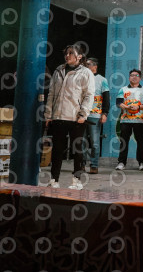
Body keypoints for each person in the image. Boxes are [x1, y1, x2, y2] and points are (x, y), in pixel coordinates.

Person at [44, 44, 95, 189]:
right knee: (57, 150)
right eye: (66, 53)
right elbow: (51, 93)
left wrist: (83, 114)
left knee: (77, 150)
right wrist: (48, 114)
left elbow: (89, 95)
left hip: (76, 118)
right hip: (58, 116)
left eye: (71, 53)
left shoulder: (86, 72)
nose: (67, 56)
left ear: (79, 56)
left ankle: (76, 180)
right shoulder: (58, 70)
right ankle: (54, 180)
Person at [115, 69, 143, 171]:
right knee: (124, 141)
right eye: (132, 75)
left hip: (139, 120)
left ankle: (142, 162)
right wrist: (125, 106)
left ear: (140, 78)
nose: (134, 77)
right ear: (129, 77)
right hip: (125, 120)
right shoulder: (123, 89)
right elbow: (118, 102)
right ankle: (121, 162)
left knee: (140, 141)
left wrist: (139, 107)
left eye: (136, 75)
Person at [83, 57, 109, 174]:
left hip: (95, 115)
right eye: (85, 65)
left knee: (94, 142)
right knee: (81, 141)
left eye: (88, 64)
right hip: (82, 115)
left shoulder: (102, 80)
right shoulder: (82, 78)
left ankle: (94, 165)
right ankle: (81, 164)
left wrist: (105, 113)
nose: (86, 66)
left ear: (95, 67)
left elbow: (106, 98)